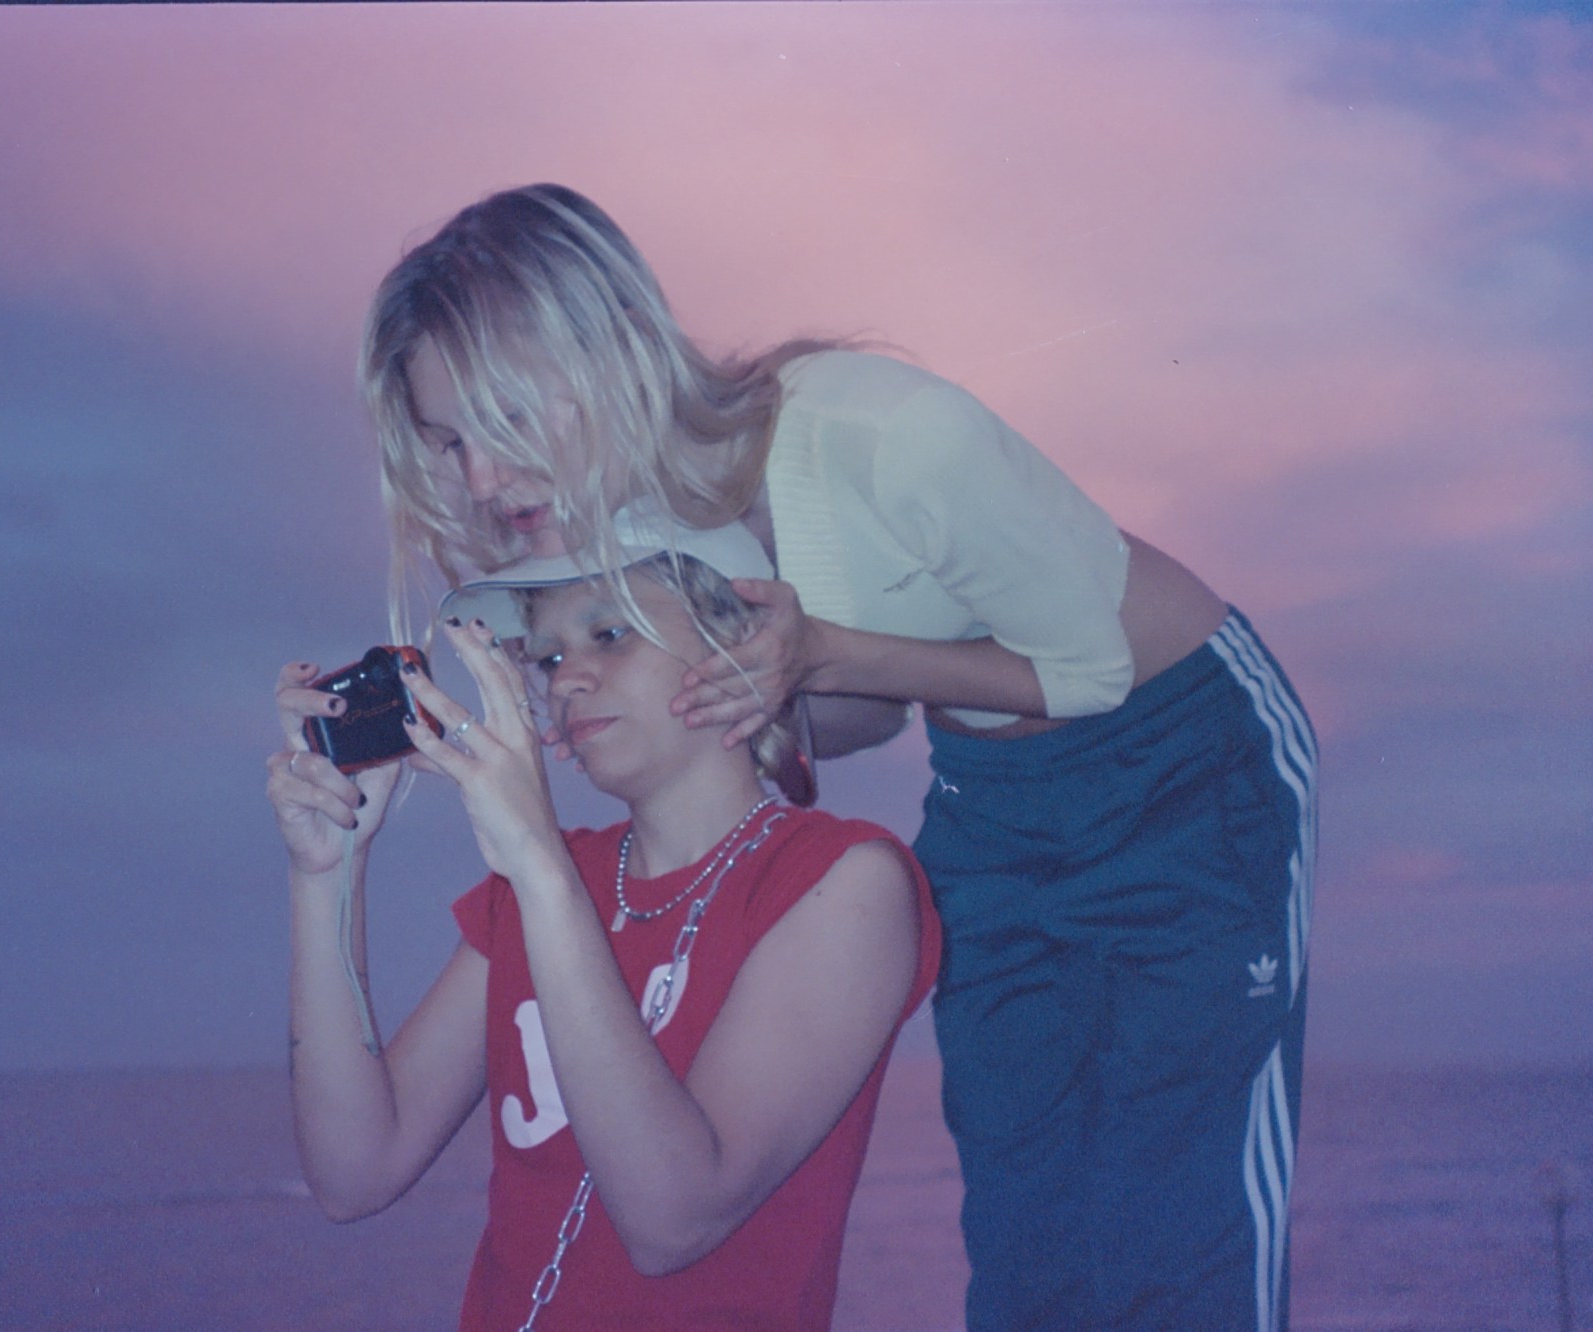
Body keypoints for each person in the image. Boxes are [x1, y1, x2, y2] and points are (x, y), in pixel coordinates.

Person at [360, 182, 1317, 1332]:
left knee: (1184, 1225)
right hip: (993, 792)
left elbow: (1089, 670)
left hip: (1181, 751)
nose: (476, 480)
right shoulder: (652, 548)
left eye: (498, 426)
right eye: (449, 442)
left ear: (597, 354)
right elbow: (823, 734)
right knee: (1024, 1234)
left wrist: (814, 651)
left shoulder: (877, 435)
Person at [268, 519, 940, 1330]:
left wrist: (541, 871)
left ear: (740, 648)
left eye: (609, 635)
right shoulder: (544, 883)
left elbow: (674, 1220)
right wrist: (328, 872)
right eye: (547, 659)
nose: (568, 680)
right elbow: (354, 1173)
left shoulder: (844, 880)